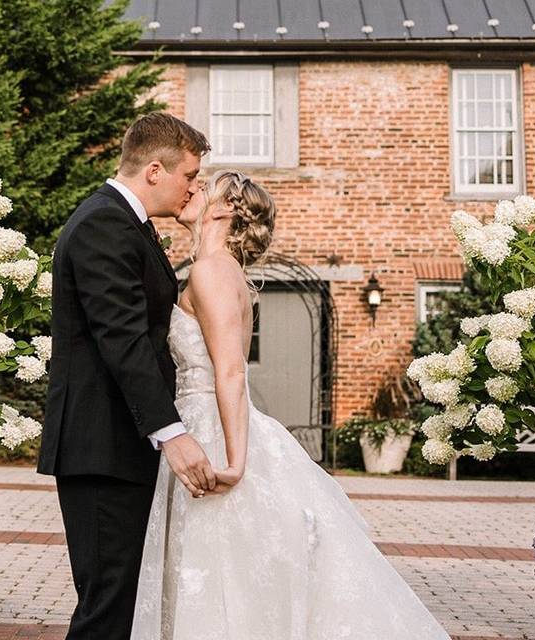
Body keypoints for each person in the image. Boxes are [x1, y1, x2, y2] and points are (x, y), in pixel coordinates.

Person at [130, 169, 451, 639]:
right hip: (203, 422)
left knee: (219, 570)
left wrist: (236, 462)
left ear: (222, 210)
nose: (193, 190)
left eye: (204, 187)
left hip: (214, 433)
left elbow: (232, 371)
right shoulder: (221, 271)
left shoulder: (212, 270)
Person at [37, 113, 215, 640]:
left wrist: (201, 229)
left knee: (124, 602)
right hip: (101, 448)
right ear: (155, 170)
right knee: (107, 609)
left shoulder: (126, 223)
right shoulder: (102, 223)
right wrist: (173, 432)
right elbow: (122, 338)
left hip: (119, 446)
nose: (193, 188)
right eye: (189, 176)